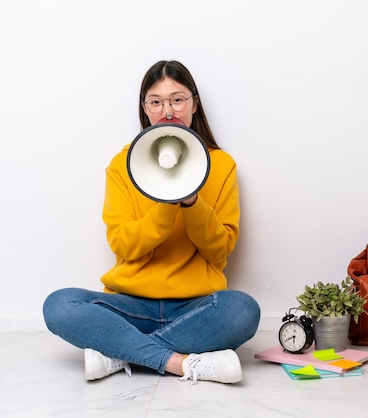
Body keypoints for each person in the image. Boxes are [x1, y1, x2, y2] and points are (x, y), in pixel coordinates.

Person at [43, 60, 260, 384]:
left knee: (243, 310)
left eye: (177, 99)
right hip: (130, 307)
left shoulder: (221, 164)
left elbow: (220, 252)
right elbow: (123, 246)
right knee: (59, 305)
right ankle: (179, 362)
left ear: (194, 104)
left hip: (195, 307)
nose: (167, 110)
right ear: (144, 109)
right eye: (156, 102)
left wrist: (191, 202)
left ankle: (118, 353)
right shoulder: (122, 165)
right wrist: (165, 205)